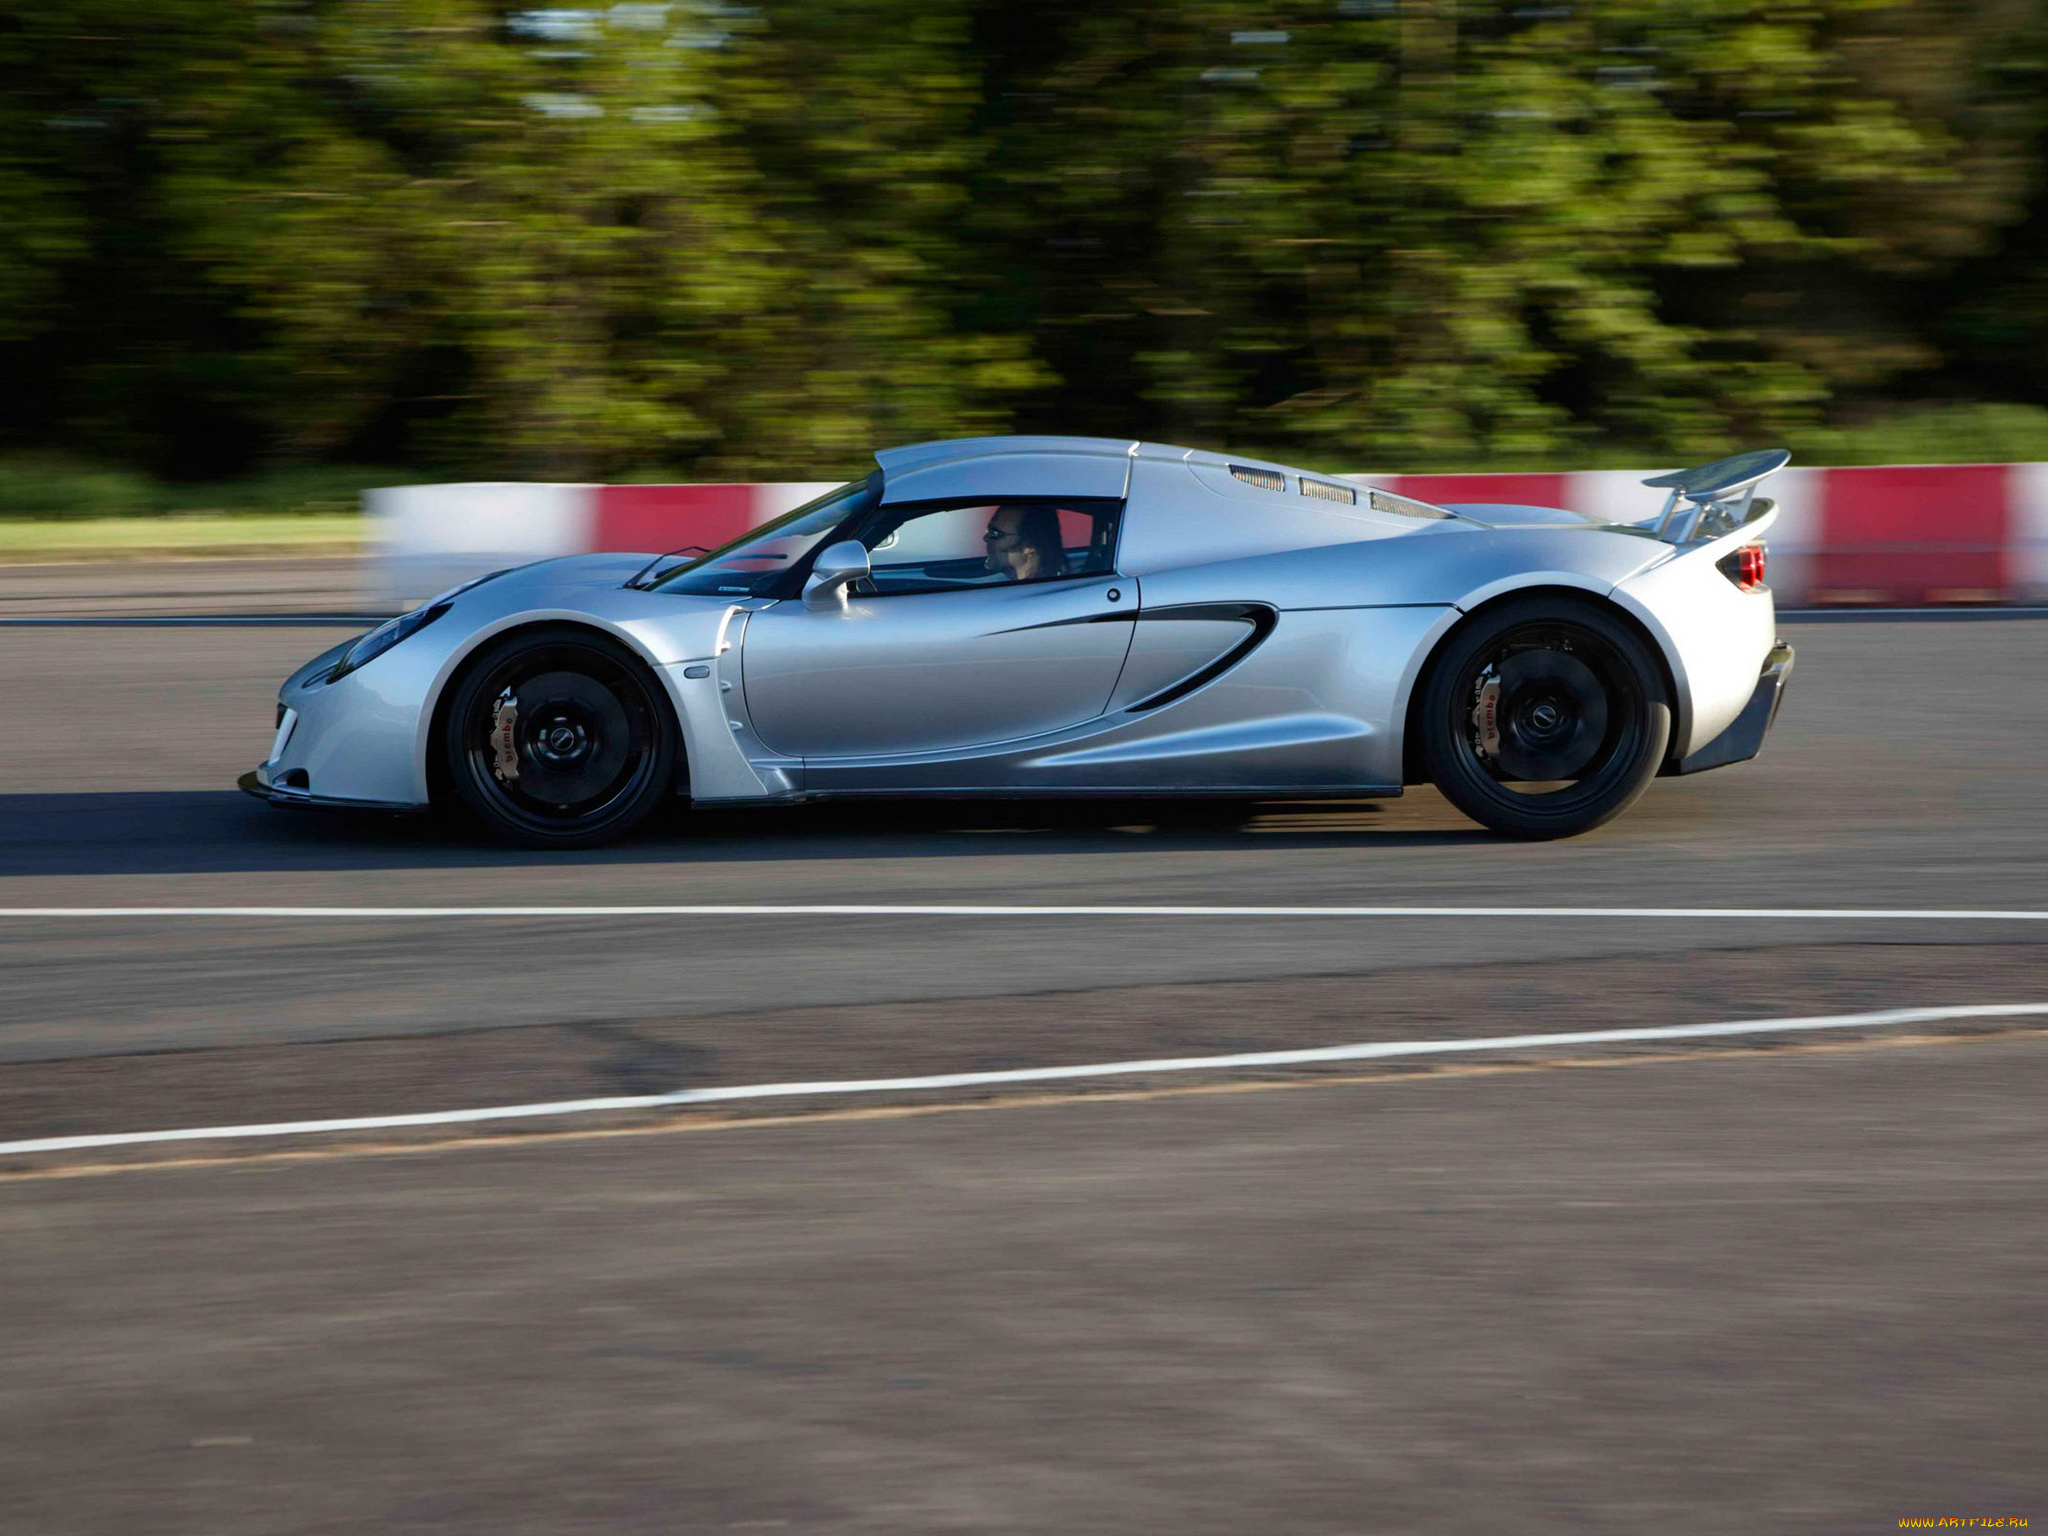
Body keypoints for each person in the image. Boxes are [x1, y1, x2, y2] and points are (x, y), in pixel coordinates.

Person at [983, 504, 1067, 582]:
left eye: (995, 534)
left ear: (1029, 546)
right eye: (989, 531)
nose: (985, 538)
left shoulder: (1043, 592)